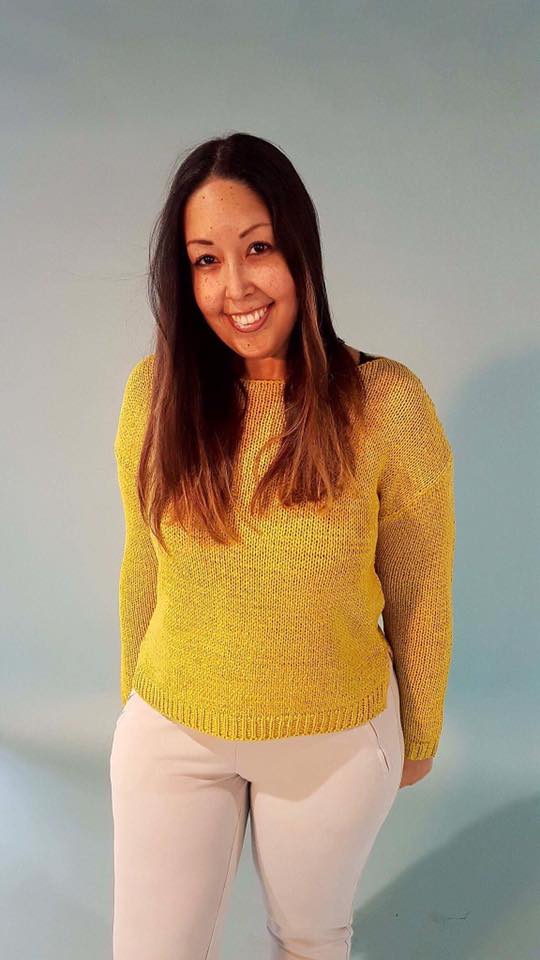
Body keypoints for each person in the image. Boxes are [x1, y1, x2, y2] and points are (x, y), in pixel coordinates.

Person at [110, 132, 456, 960]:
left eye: (257, 248)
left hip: (332, 741)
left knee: (308, 941)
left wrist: (420, 733)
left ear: (300, 248)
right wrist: (134, 701)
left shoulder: (386, 405)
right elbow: (142, 565)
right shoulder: (155, 396)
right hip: (173, 724)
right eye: (205, 260)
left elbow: (420, 586)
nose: (234, 287)